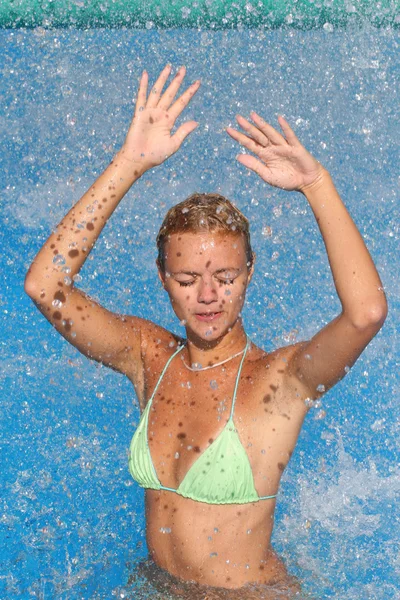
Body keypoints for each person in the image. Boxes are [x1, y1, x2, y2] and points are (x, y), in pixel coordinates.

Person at [25, 64, 387, 597]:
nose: (209, 296)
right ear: (164, 279)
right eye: (189, 279)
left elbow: (366, 314)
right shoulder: (149, 357)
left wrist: (316, 185)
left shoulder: (279, 382)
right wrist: (129, 164)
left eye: (225, 277)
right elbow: (45, 285)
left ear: (248, 275)